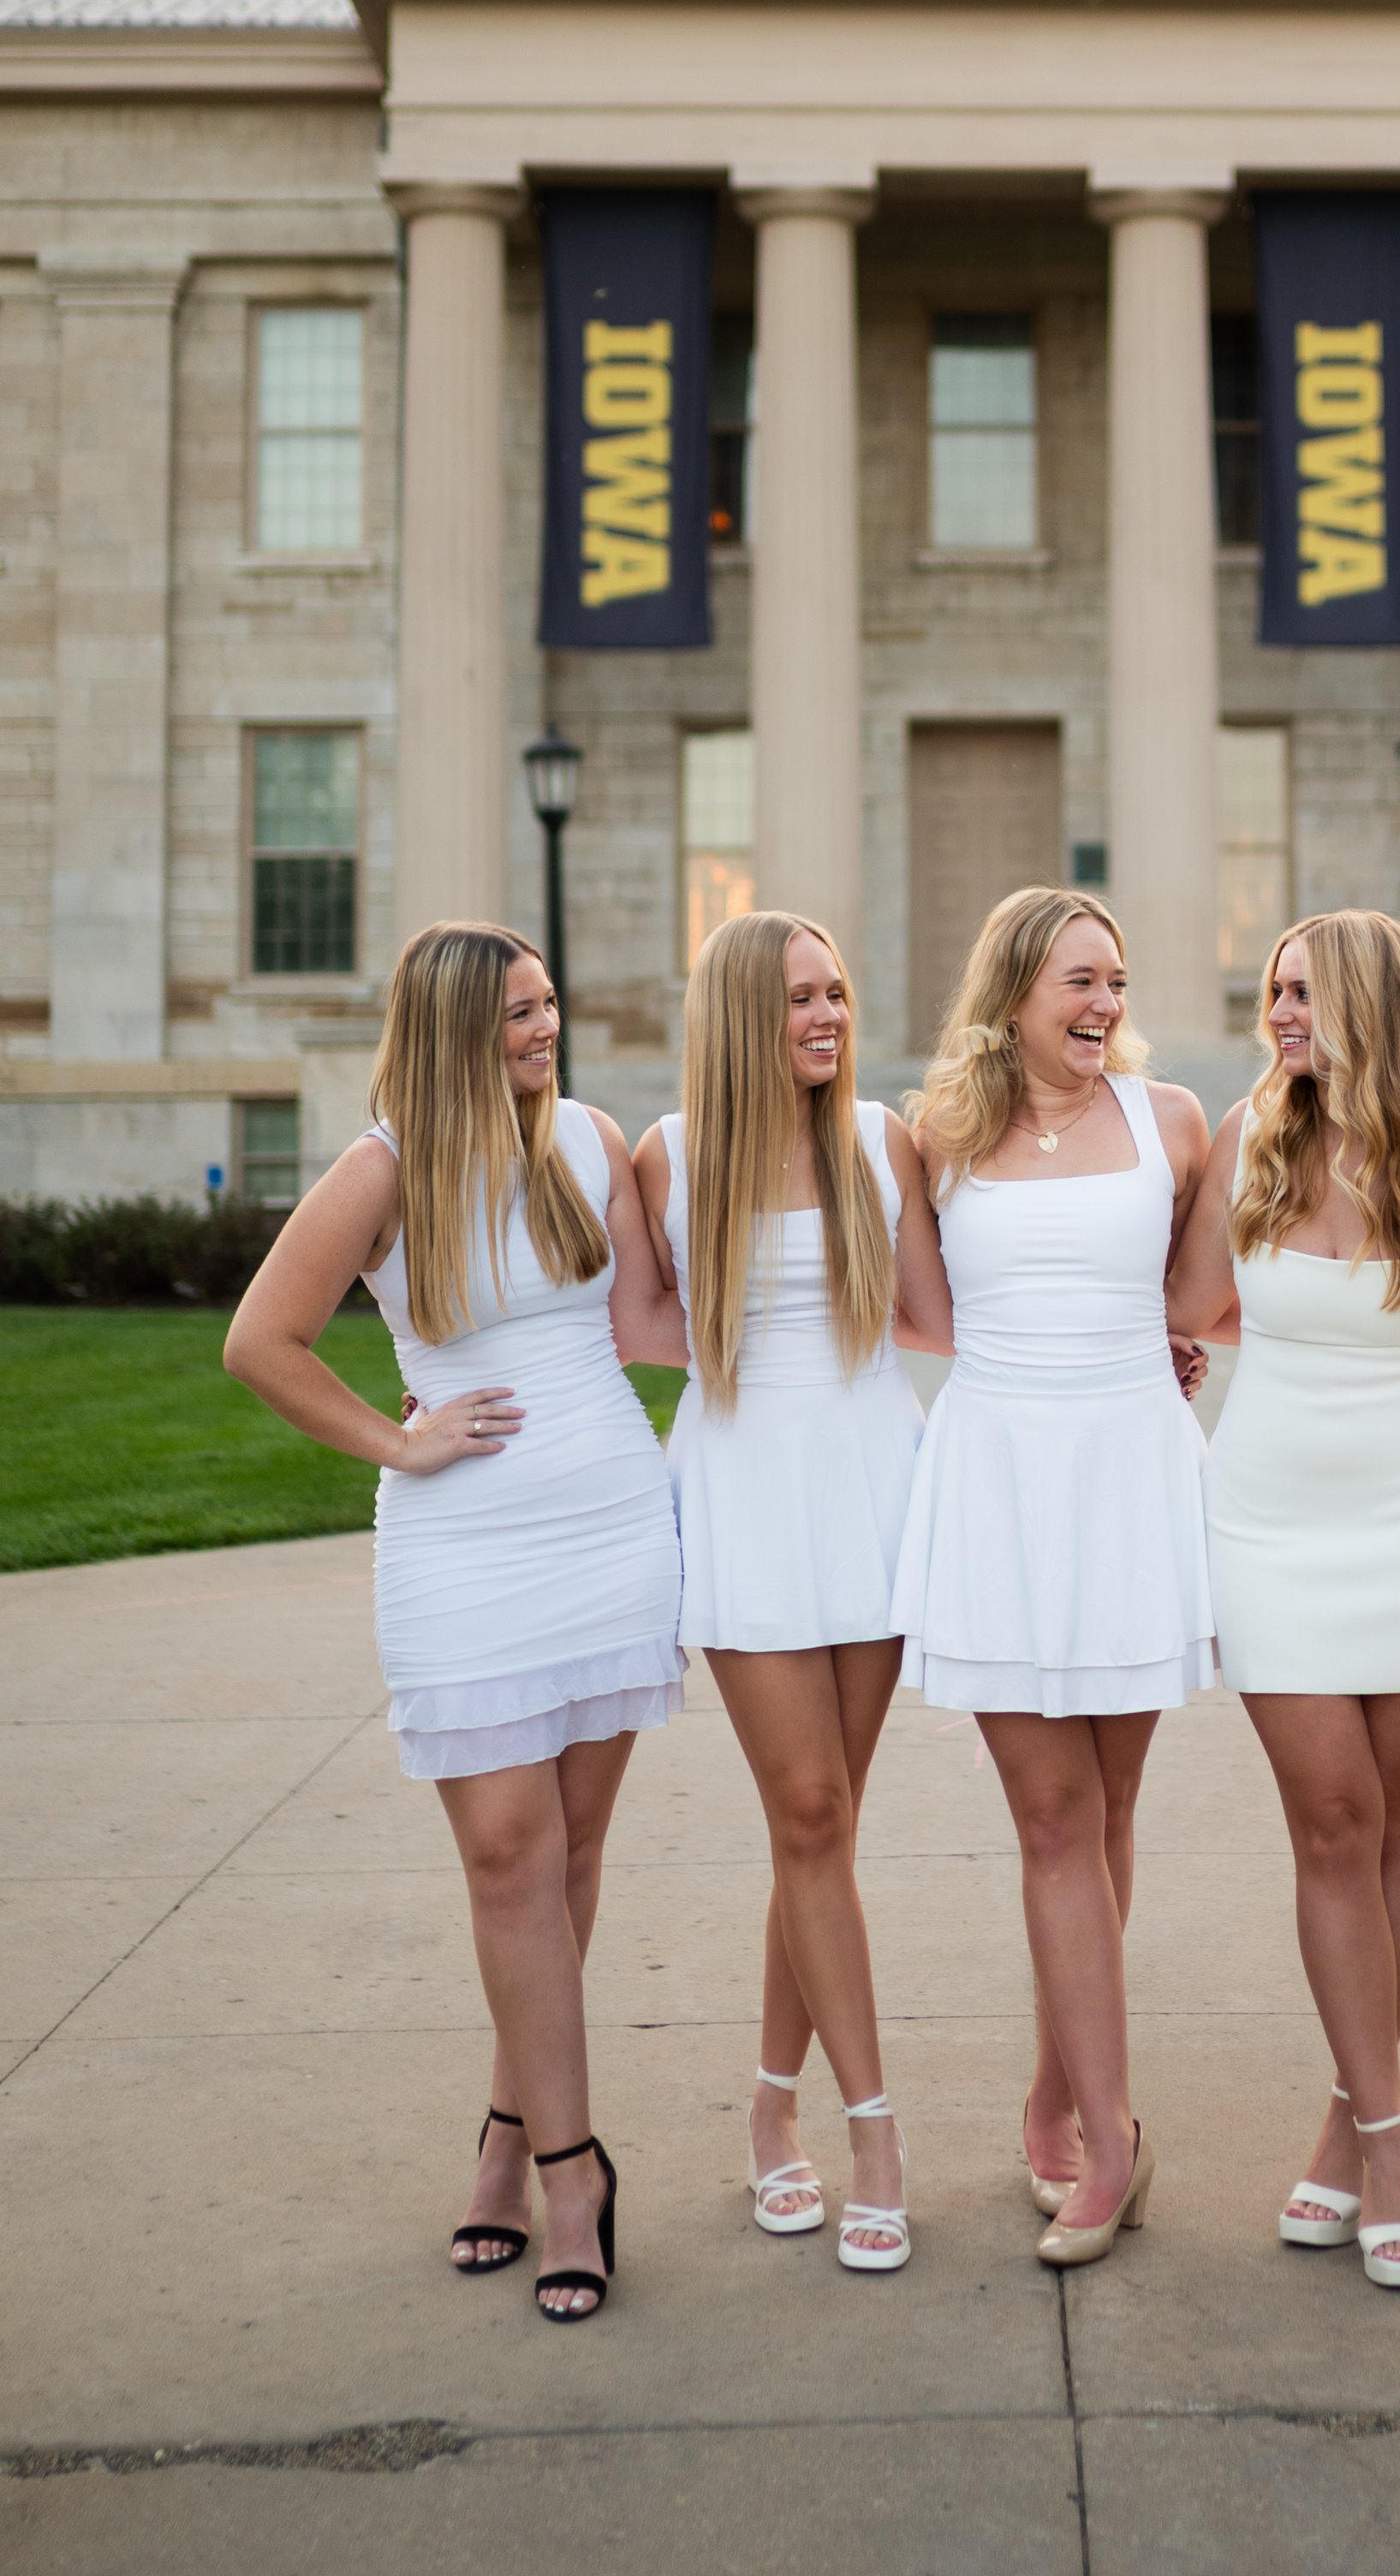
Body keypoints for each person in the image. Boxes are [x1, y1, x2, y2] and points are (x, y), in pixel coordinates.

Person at [225, 923, 687, 2324]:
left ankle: (507, 2134)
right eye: (518, 1016)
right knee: (507, 1855)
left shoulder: (589, 1141)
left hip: (612, 1527)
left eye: (550, 1006)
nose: (546, 1031)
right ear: (447, 1031)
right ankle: (571, 2170)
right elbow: (262, 1340)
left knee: (572, 1852)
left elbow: (662, 1318)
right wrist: (396, 1441)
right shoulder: (384, 1166)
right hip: (465, 1551)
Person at [1168, 909, 1400, 2290]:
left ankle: (1344, 2120)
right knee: (1332, 1816)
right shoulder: (1245, 1135)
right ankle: (1395, 2144)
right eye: (1274, 991)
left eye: (1305, 991)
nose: (1282, 1013)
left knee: (1395, 1827)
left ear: (1373, 999)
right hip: (1263, 1513)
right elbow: (1196, 1302)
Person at [891, 887, 1213, 2268]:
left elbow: (1206, 1294)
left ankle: (1055, 2085)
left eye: (1119, 982)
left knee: (1110, 1804)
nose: (1107, 1005)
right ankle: (1114, 2133)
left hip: (1131, 1476)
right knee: (1049, 1816)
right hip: (1002, 1482)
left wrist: (1163, 1355)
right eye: (1082, 978)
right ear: (1016, 986)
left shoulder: (1175, 1124)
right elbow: (920, 1312)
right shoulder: (934, 1138)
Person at [634, 909, 952, 2275]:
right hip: (745, 1492)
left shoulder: (883, 1140)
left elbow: (938, 1316)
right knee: (809, 1812)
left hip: (874, 1483)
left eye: (837, 992)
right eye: (800, 998)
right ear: (737, 1017)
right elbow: (630, 1324)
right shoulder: (666, 1153)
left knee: (818, 1828)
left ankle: (772, 2112)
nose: (828, 1016)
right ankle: (872, 2130)